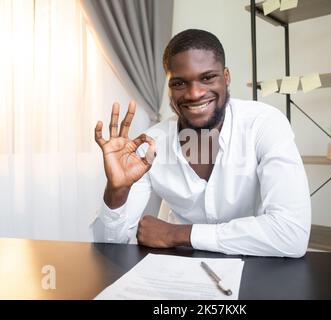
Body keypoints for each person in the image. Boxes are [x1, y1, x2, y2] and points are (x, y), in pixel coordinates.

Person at [92, 29, 311, 257]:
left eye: (207, 78)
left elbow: (291, 234)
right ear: (169, 88)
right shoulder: (150, 144)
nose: (194, 93)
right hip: (177, 271)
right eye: (179, 83)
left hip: (255, 267)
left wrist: (177, 234)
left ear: (226, 78)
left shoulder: (264, 124)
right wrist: (116, 191)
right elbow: (110, 247)